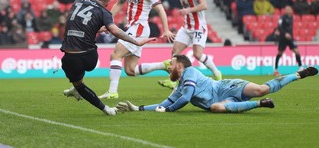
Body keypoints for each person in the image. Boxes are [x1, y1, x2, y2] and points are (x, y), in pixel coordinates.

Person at [60, 0, 155, 115]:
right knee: (79, 69)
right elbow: (115, 31)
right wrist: (136, 42)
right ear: (107, 3)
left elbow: (78, 22)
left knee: (73, 74)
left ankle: (91, 97)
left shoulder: (78, 1)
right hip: (89, 57)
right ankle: (81, 91)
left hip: (70, 56)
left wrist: (95, 28)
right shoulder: (104, 12)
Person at [116, 54, 318, 113]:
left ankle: (297, 74)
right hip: (223, 99)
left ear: (180, 64)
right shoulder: (180, 85)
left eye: (172, 64)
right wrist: (139, 108)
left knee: (260, 89)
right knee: (216, 108)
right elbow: (166, 103)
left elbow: (184, 99)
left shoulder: (191, 71)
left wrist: (167, 111)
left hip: (227, 87)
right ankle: (260, 104)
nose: (169, 67)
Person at [95, 0, 175, 99]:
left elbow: (160, 8)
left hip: (139, 28)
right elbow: (119, 3)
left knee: (115, 55)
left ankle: (112, 91)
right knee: (130, 70)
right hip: (131, 27)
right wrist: (107, 22)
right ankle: (163, 65)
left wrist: (166, 29)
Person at [153, 0, 222, 89]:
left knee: (198, 55)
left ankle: (217, 72)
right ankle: (173, 80)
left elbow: (204, 5)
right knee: (175, 52)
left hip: (198, 28)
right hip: (186, 27)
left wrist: (188, 10)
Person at [273, 5, 303, 76]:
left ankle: (301, 67)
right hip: (283, 38)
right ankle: (275, 70)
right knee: (280, 53)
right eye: (287, 9)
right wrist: (285, 34)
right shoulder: (282, 18)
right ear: (285, 10)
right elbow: (279, 27)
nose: (288, 11)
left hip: (290, 38)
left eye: (289, 9)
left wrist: (290, 35)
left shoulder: (291, 17)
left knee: (297, 51)